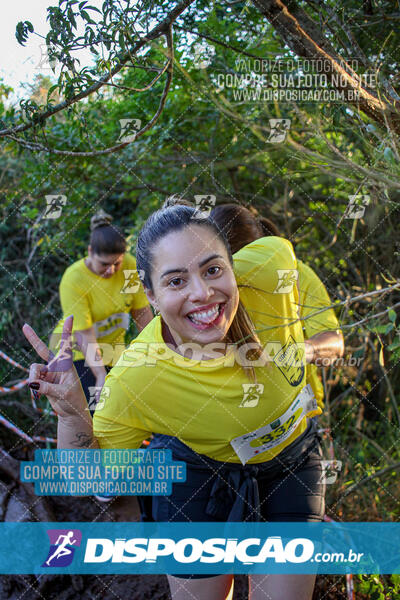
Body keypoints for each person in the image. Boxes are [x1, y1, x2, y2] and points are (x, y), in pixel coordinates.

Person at [24, 199, 344, 600]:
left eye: (213, 269)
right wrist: (71, 414)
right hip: (201, 475)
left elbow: (285, 265)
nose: (202, 293)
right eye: (175, 281)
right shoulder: (139, 375)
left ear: (235, 264)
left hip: (292, 466)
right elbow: (90, 481)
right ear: (151, 295)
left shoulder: (271, 265)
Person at [210, 203, 343, 413]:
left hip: (298, 412)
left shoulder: (295, 274)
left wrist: (298, 351)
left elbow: (334, 344)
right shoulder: (206, 287)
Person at [50, 209, 153, 413]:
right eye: (104, 264)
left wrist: (157, 352)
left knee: (124, 406)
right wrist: (99, 374)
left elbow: (143, 315)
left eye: (117, 263)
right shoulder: (74, 280)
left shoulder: (131, 267)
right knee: (95, 408)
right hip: (76, 351)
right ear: (90, 252)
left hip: (113, 350)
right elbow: (84, 333)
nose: (111, 271)